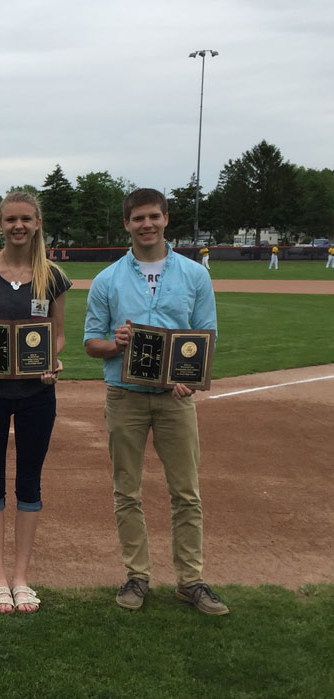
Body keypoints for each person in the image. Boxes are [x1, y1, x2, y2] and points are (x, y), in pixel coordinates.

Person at [83, 188, 227, 615]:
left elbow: (206, 336)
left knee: (186, 492)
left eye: (154, 217)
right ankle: (137, 575)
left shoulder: (194, 275)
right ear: (126, 224)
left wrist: (190, 380)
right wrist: (116, 343)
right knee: (126, 489)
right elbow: (92, 344)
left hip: (174, 400)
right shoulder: (108, 279)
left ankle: (191, 580)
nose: (146, 224)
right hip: (125, 396)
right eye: (138, 218)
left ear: (166, 219)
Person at [0, 192, 70, 614]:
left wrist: (53, 359)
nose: (18, 225)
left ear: (38, 222)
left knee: (29, 481)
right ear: (0, 224)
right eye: (10, 219)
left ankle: (22, 577)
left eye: (26, 218)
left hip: (37, 393)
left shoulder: (53, 277)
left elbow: (56, 333)